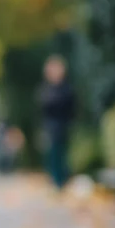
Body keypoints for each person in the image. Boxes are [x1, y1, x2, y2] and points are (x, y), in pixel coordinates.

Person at [38, 54, 74, 189]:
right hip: (51, 128)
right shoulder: (46, 89)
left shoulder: (65, 88)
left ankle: (62, 181)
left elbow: (70, 107)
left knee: (62, 154)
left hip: (63, 126)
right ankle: (56, 181)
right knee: (53, 155)